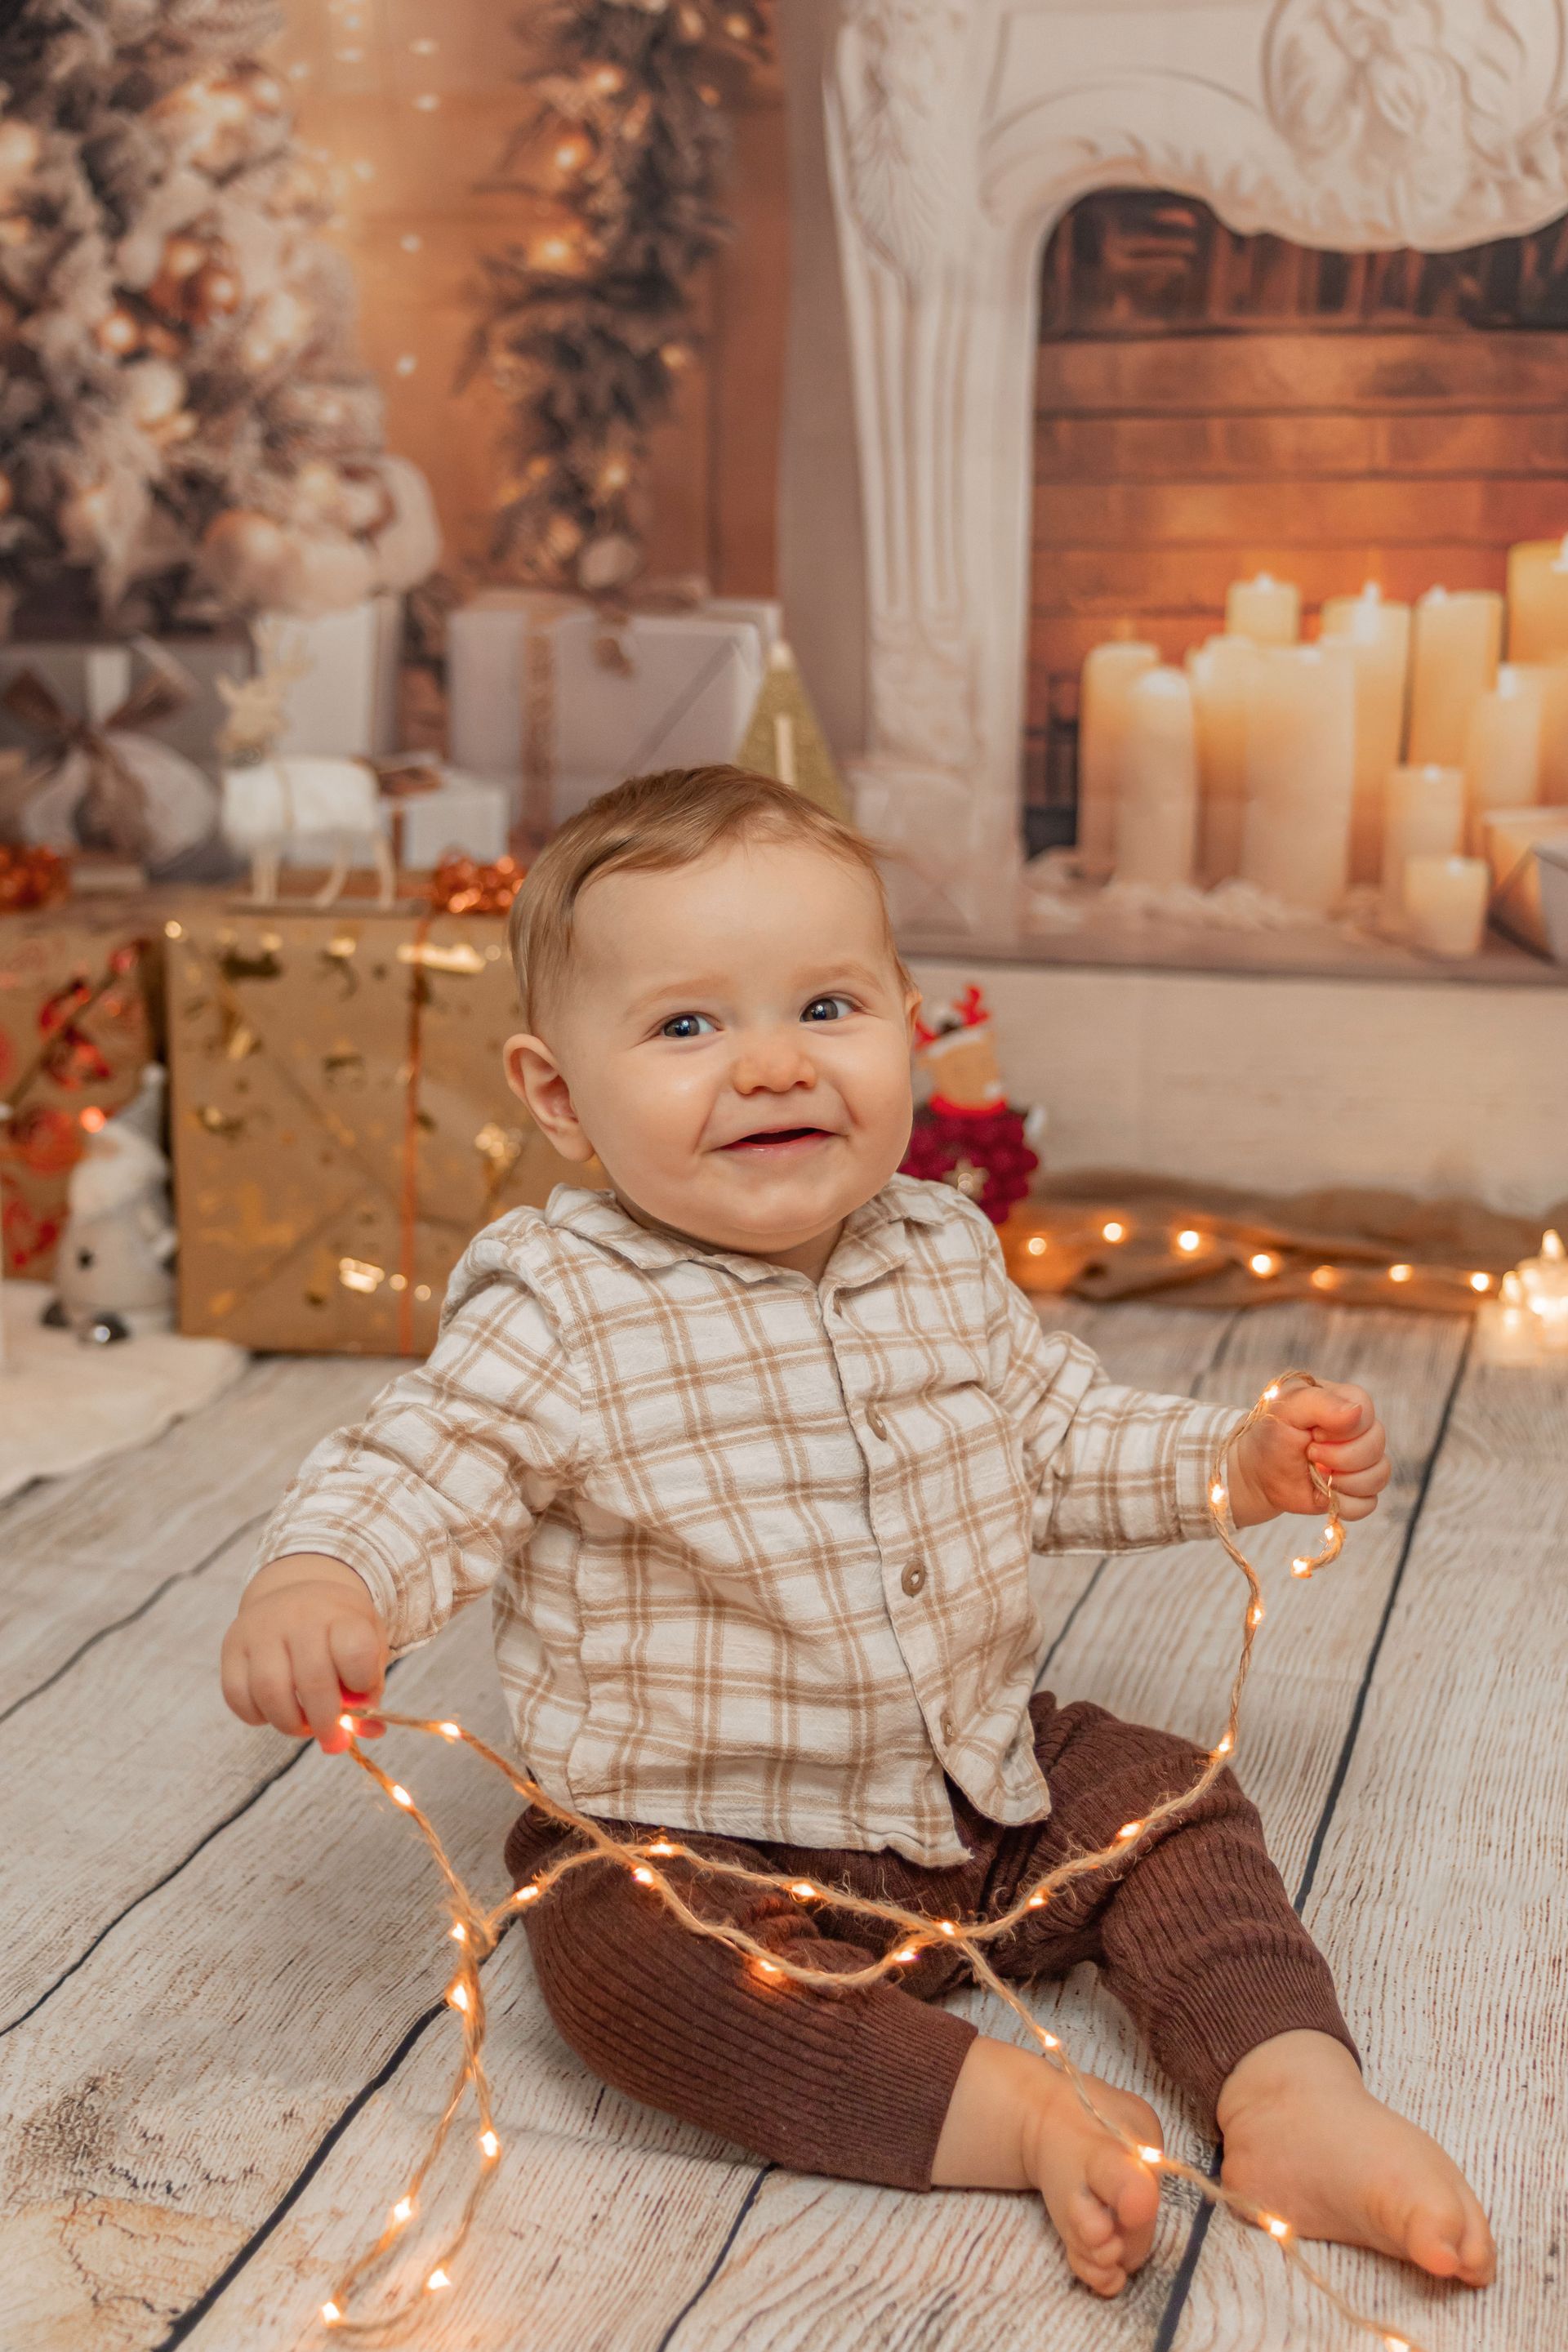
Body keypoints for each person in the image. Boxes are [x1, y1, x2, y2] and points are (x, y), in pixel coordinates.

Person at [220, 765, 1494, 2300]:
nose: (771, 1067)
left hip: (978, 1782)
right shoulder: (558, 1305)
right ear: (558, 1093)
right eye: (688, 1026)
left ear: (906, 1021)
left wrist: (1231, 1458)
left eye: (826, 1007)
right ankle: (1010, 2113)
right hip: (693, 1836)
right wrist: (326, 1569)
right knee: (623, 1966)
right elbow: (426, 1459)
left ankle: (1289, 2091)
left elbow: (1052, 1435)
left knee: (1171, 1804)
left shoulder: (939, 1248)